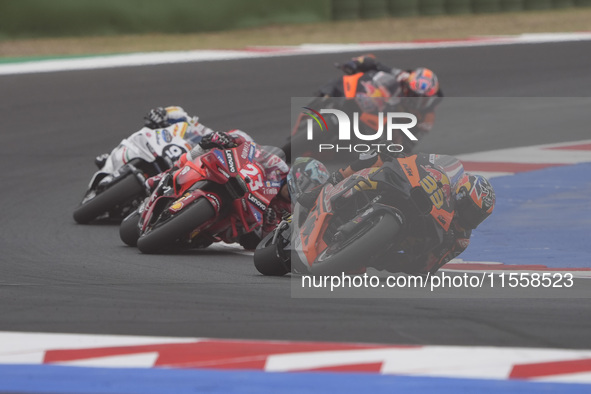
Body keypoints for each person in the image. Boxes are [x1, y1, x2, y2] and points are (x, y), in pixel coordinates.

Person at [146, 128, 291, 250]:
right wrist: (228, 138)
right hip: (236, 179)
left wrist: (269, 226)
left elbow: (269, 243)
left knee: (247, 236)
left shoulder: (285, 208)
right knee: (206, 147)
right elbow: (249, 146)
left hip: (239, 221)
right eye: (291, 186)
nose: (290, 192)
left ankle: (200, 230)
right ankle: (166, 174)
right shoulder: (278, 170)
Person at [337, 54, 443, 149]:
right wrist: (356, 63)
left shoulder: (428, 115)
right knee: (353, 77)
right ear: (407, 85)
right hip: (378, 108)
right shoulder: (403, 77)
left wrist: (397, 143)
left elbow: (409, 145)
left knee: (387, 147)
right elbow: (376, 64)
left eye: (423, 97)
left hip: (385, 128)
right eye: (413, 94)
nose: (416, 99)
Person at [94, 106, 214, 168]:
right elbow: (179, 112)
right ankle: (112, 154)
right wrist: (162, 112)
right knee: (148, 129)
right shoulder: (192, 123)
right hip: (167, 144)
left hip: (182, 163)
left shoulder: (215, 137)